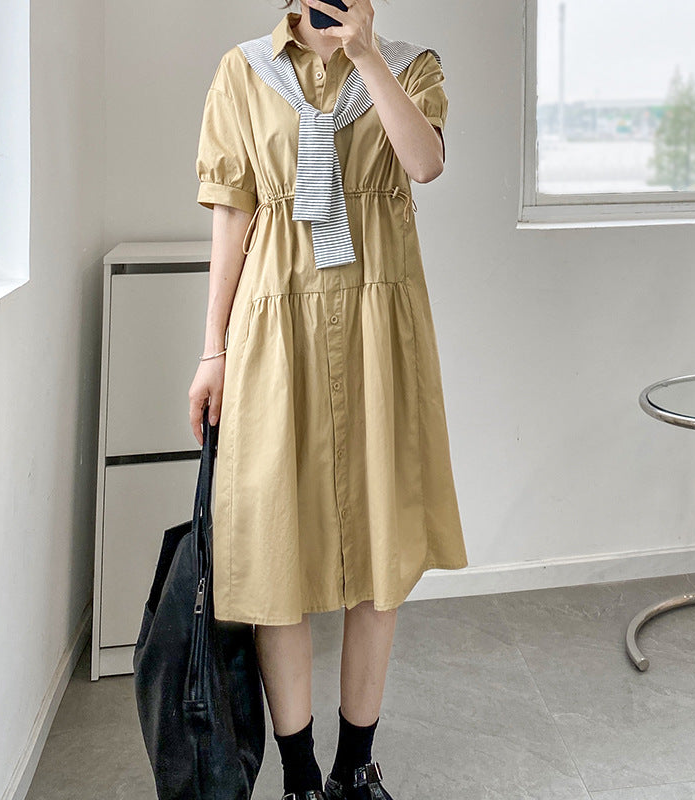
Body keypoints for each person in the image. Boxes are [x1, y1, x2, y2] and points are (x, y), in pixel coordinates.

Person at [188, 1, 468, 798]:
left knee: (381, 548)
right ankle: (301, 776)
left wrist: (368, 55)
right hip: (276, 324)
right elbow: (233, 213)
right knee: (275, 548)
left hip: (380, 326)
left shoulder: (412, 65)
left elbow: (423, 164)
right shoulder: (244, 71)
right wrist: (213, 349)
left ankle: (356, 765)